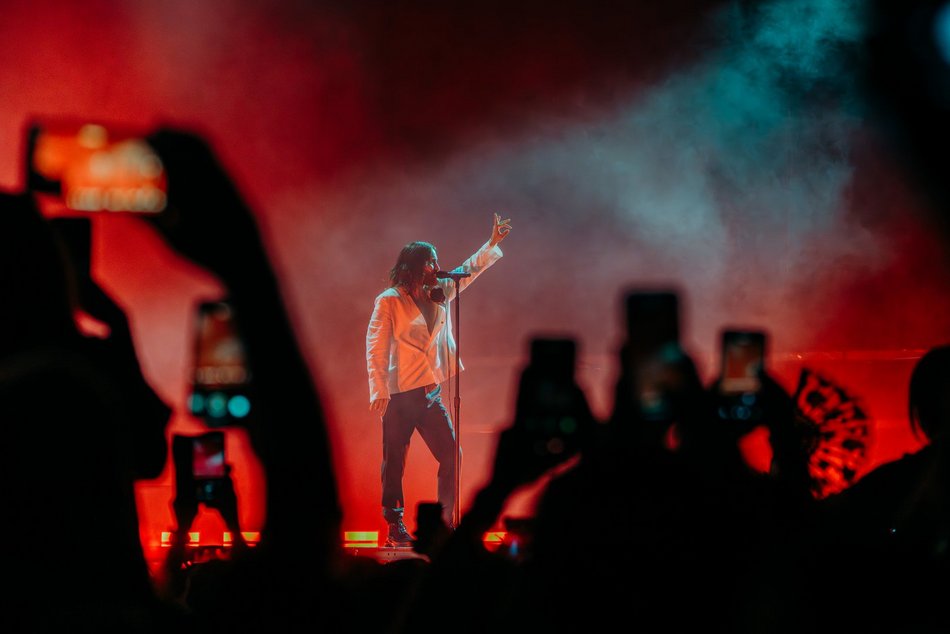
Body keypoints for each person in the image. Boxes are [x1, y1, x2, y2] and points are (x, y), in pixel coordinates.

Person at [366, 212, 512, 545]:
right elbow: (375, 345)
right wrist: (379, 389)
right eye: (431, 260)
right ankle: (395, 524)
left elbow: (468, 272)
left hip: (429, 392)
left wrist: (492, 244)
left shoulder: (439, 293)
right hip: (400, 392)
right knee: (394, 461)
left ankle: (445, 521)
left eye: (436, 259)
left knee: (451, 454)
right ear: (415, 265)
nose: (437, 264)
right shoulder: (390, 301)